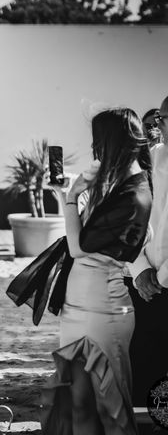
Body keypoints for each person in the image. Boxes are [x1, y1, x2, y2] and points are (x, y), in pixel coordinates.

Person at [48, 108, 152, 435]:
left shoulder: (134, 192)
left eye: (98, 142)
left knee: (112, 408)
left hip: (104, 311)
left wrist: (70, 198)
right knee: (78, 402)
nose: (95, 151)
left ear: (112, 144)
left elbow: (78, 246)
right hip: (77, 307)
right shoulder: (116, 183)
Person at [127, 95, 168, 406]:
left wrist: (162, 276)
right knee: (145, 360)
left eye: (163, 120)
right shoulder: (150, 159)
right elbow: (128, 214)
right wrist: (139, 269)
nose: (159, 127)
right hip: (145, 286)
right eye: (160, 120)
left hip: (160, 281)